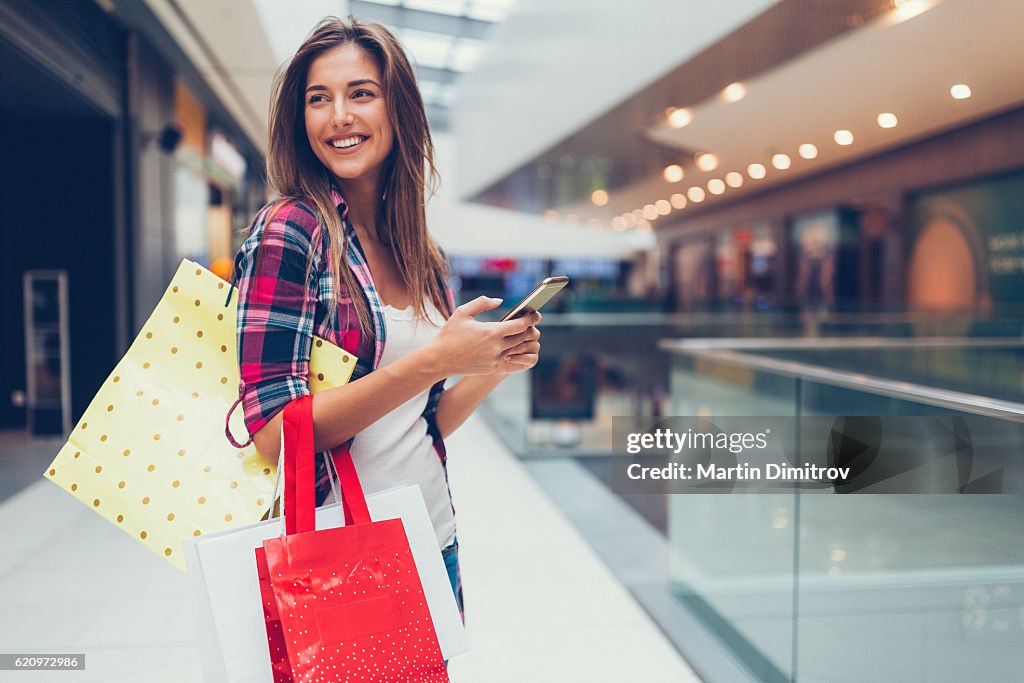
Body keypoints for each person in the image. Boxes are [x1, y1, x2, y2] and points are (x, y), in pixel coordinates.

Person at [232, 17, 542, 618]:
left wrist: (489, 366)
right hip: (343, 555)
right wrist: (435, 360)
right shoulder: (291, 232)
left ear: (399, 110)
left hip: (434, 537)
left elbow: (417, 425)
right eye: (318, 99)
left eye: (361, 93)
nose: (338, 115)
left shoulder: (420, 251)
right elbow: (276, 435)